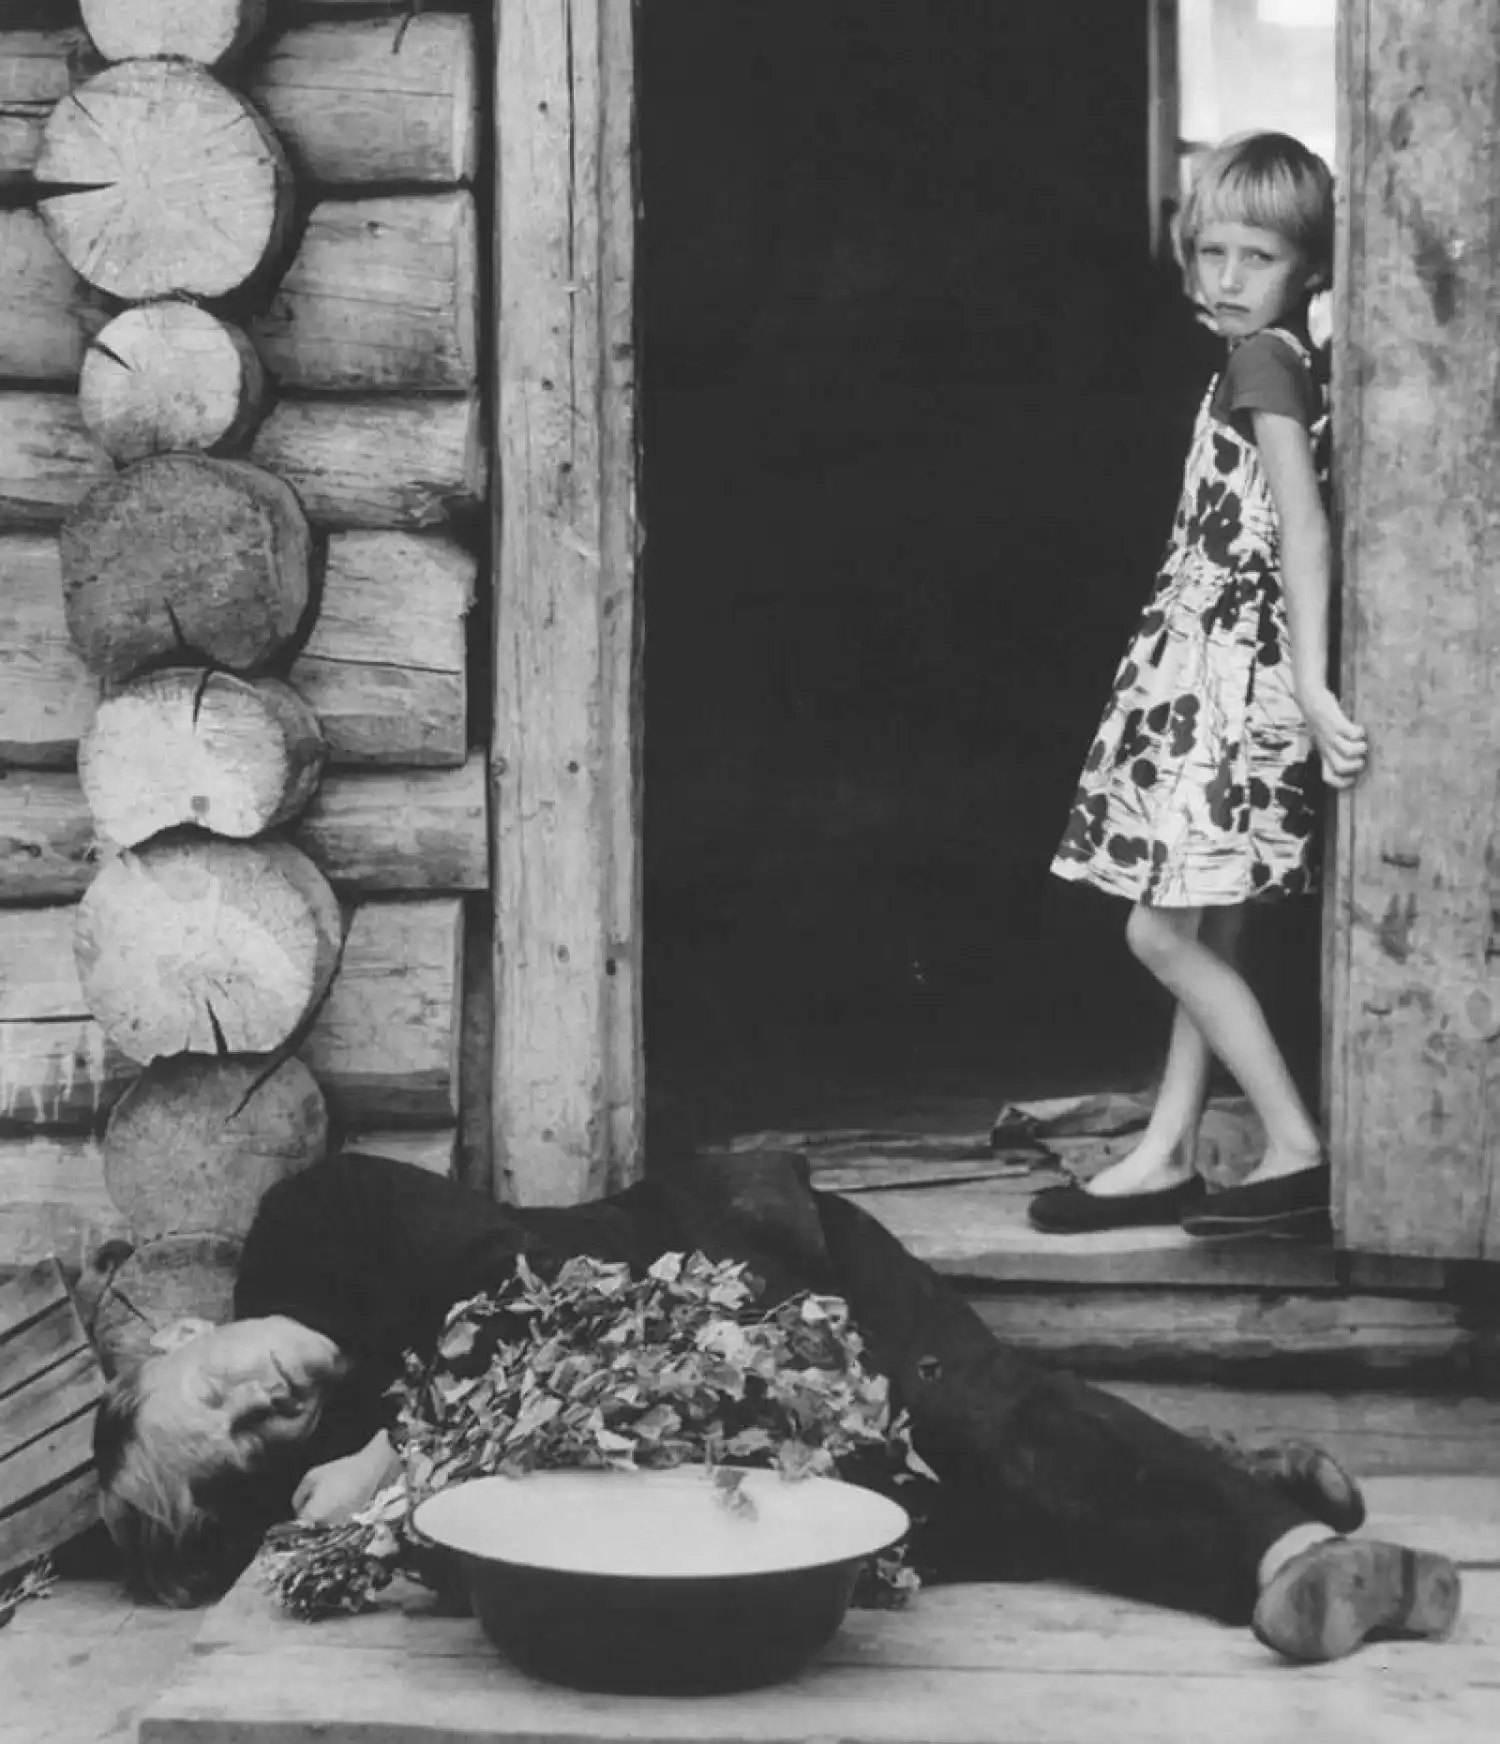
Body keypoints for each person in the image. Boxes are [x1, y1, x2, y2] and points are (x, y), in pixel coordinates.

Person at [94, 1145, 1459, 1664]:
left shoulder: (314, 1223)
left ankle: (1291, 1560)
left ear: (186, 1332)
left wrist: (396, 1459)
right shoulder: (323, 1460)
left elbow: (519, 1279)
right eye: (249, 1443)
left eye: (217, 1387)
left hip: (763, 1261)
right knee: (957, 1525)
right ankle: (1237, 1481)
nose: (265, 1402)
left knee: (976, 1414)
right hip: (744, 1433)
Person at [1041, 132, 1367, 1243]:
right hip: (1214, 667)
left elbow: (1305, 530)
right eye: (1211, 251)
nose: (1227, 278)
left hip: (1230, 682)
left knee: (1159, 933)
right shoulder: (1274, 355)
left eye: (1258, 257)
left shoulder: (1265, 363)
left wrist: (1312, 683)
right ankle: (1168, 1149)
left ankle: (1296, 1145)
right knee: (1207, 924)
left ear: (1309, 267)